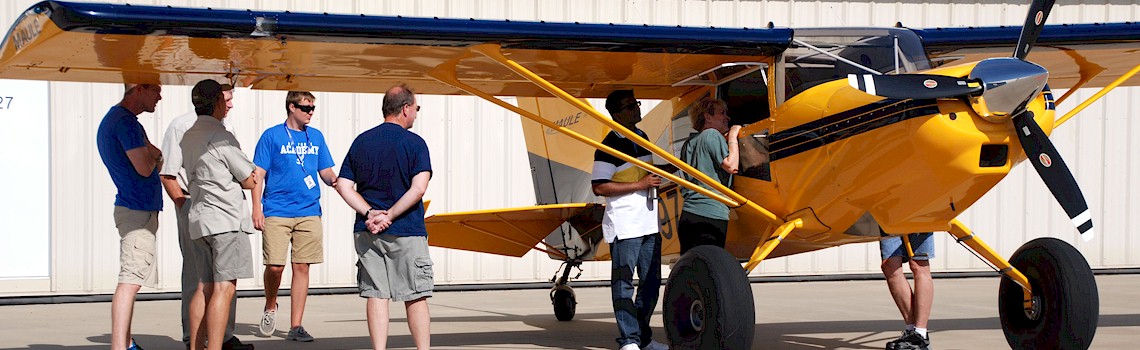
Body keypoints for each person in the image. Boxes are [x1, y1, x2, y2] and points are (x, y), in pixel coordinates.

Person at [334, 84, 433, 350]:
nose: (416, 114)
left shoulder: (362, 141)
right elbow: (418, 188)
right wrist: (390, 215)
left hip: (368, 231)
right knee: (415, 295)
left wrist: (369, 213)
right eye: (416, 108)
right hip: (407, 230)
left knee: (376, 295)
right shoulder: (415, 143)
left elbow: (343, 185)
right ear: (405, 109)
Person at [159, 84, 254, 350]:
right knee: (224, 289)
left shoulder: (187, 133)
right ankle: (216, 346)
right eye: (226, 100)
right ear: (216, 104)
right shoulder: (220, 135)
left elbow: (170, 169)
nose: (229, 106)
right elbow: (248, 178)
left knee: (203, 287)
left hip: (199, 217)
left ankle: (196, 345)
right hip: (225, 218)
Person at [251, 91, 336, 341]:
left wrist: (339, 181)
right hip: (277, 210)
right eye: (305, 108)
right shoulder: (272, 136)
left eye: (313, 108)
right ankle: (270, 304)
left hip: (309, 210)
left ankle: (296, 326)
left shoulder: (316, 137)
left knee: (302, 267)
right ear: (291, 107)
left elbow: (326, 171)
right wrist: (257, 208)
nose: (311, 112)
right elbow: (258, 174)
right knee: (275, 266)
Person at [591, 90, 668, 350]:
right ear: (616, 114)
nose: (636, 109)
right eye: (630, 106)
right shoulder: (608, 146)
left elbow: (650, 174)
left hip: (648, 221)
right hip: (625, 224)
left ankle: (642, 337)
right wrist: (640, 184)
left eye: (636, 103)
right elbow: (599, 187)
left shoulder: (642, 137)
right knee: (624, 284)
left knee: (651, 283)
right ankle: (629, 340)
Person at [96, 82, 163, 350]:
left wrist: (152, 155)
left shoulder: (125, 122)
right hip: (136, 210)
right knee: (130, 281)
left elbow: (154, 153)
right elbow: (147, 166)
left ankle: (125, 342)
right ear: (138, 88)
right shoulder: (126, 123)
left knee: (131, 278)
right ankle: (119, 346)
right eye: (155, 89)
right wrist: (153, 157)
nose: (160, 95)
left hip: (136, 209)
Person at [678, 97, 741, 255]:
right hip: (710, 215)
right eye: (722, 113)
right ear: (707, 117)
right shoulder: (712, 135)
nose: (727, 117)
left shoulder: (689, 143)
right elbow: (732, 166)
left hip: (689, 215)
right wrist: (733, 136)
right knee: (709, 267)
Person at [881, 233, 934, 350]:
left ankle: (920, 333)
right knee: (889, 266)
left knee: (919, 264)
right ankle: (911, 332)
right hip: (887, 216)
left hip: (916, 216)